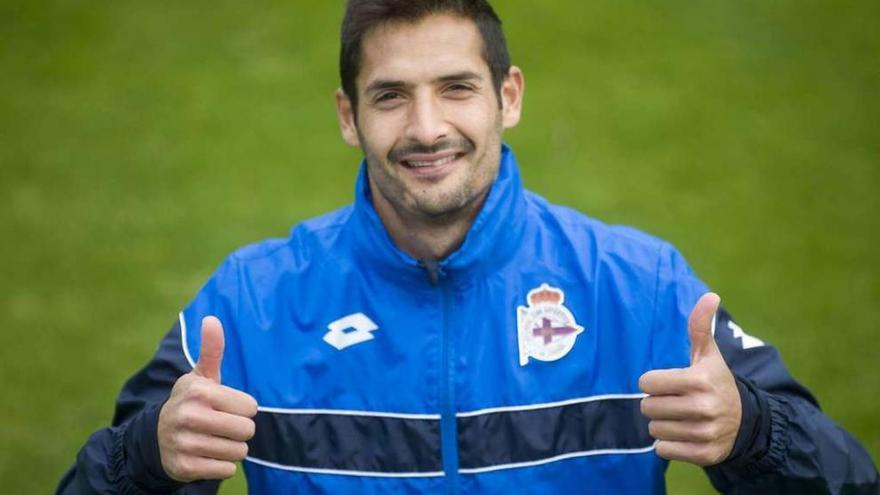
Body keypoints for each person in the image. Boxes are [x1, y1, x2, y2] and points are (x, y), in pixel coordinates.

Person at [57, 1, 879, 494]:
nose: (426, 129)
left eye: (455, 88)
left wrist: (756, 430)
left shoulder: (638, 286)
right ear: (348, 116)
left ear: (507, 96)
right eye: (391, 97)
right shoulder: (247, 307)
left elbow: (851, 479)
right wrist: (147, 457)